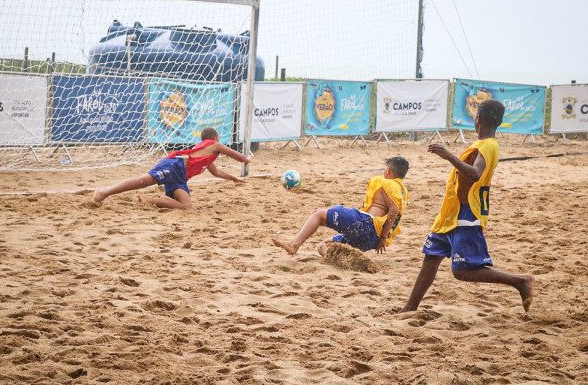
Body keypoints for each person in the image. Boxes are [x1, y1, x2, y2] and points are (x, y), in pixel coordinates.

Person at [400, 99, 534, 313]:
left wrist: (448, 155)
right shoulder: (482, 144)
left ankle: (520, 281)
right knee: (431, 257)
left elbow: (475, 173)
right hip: (450, 213)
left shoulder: (489, 145)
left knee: (462, 271)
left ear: (478, 119)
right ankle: (409, 307)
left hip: (467, 213)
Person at [273, 156, 409, 256]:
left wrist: (383, 238)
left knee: (318, 214)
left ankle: (294, 245)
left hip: (367, 225)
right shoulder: (402, 191)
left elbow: (394, 211)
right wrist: (381, 239)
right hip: (371, 241)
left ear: (389, 171)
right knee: (323, 246)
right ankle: (338, 260)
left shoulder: (387, 183)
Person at [91, 127, 250, 210]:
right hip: (175, 164)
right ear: (215, 138)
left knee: (186, 206)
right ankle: (103, 193)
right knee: (144, 181)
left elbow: (216, 172)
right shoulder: (215, 145)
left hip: (180, 178)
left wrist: (234, 178)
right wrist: (247, 158)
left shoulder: (205, 154)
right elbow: (240, 157)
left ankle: (148, 200)